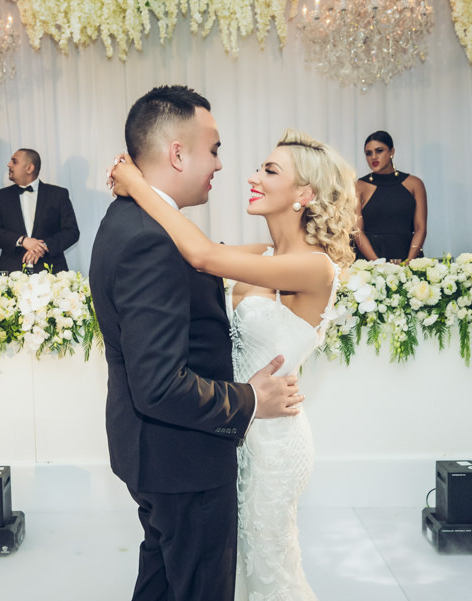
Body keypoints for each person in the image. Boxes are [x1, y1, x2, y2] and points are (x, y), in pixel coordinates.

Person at [109, 127, 358, 601]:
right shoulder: (264, 254)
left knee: (266, 568)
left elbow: (202, 256)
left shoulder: (315, 266)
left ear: (304, 194)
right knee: (228, 564)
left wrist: (137, 184)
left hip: (273, 439)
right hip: (232, 423)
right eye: (259, 167)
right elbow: (188, 249)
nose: (253, 177)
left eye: (270, 171)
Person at [90, 85, 304, 601]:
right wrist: (251, 399)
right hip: (183, 460)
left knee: (163, 580)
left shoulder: (133, 221)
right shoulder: (152, 239)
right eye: (214, 149)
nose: (221, 164)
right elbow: (160, 386)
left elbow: (208, 255)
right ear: (178, 154)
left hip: (158, 456)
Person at [0, 148, 79, 273]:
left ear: (29, 168)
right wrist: (22, 240)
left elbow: (72, 232)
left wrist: (43, 247)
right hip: (11, 272)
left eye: (14, 161)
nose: (9, 164)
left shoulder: (58, 194)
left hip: (51, 272)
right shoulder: (1, 196)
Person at [354, 130, 427, 263]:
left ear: (392, 152)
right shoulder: (359, 186)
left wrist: (409, 262)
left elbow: (420, 228)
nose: (373, 157)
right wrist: (378, 264)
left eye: (379, 151)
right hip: (370, 261)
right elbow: (357, 231)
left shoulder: (415, 184)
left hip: (408, 256)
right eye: (368, 153)